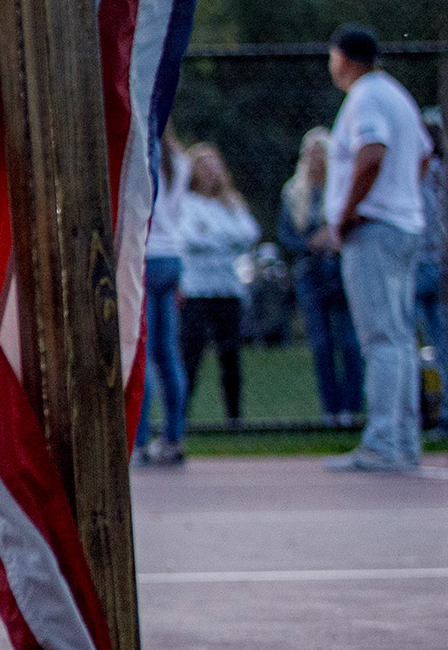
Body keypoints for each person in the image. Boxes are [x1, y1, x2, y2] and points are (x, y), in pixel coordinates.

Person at [323, 24, 433, 472]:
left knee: (381, 338)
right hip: (403, 224)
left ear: (342, 58)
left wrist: (349, 211)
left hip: (374, 229)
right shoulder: (396, 93)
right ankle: (404, 440)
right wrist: (401, 195)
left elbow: (371, 152)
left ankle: (383, 442)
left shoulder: (364, 97)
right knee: (400, 337)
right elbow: (424, 153)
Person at [279, 127, 363, 425]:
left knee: (350, 341)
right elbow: (285, 235)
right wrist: (310, 242)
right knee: (320, 343)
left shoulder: (343, 187)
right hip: (310, 273)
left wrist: (335, 236)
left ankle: (352, 408)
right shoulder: (294, 192)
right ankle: (331, 410)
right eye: (310, 154)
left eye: (320, 153)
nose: (315, 159)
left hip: (339, 269)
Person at [177, 143, 260, 425]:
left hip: (228, 290)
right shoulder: (185, 203)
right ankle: (180, 420)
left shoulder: (232, 203)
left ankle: (234, 419)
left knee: (230, 356)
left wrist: (211, 236)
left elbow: (249, 234)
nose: (210, 170)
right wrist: (226, 241)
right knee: (191, 355)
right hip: (196, 290)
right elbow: (189, 239)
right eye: (203, 165)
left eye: (214, 164)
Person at [135, 125, 191, 465]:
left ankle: (139, 440)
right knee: (167, 352)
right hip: (171, 257)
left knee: (141, 352)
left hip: (144, 255)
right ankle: (173, 437)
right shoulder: (179, 159)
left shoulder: (140, 154)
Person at [415, 108, 448, 435]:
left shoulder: (421, 175)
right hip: (436, 263)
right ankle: (447, 413)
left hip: (426, 264)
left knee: (433, 344)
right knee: (443, 345)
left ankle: (447, 414)